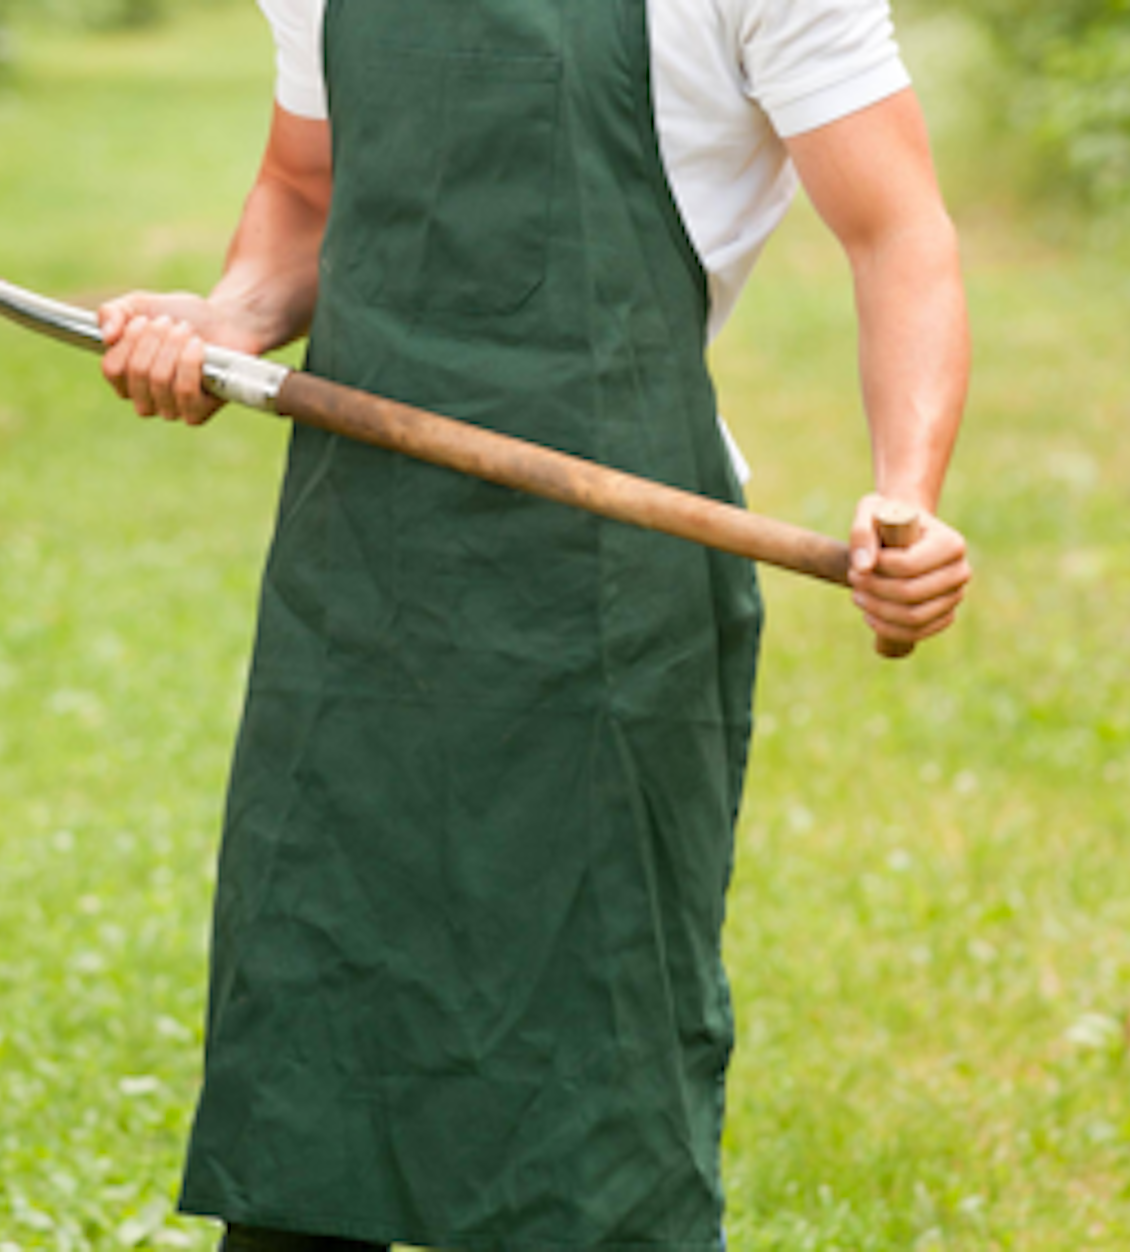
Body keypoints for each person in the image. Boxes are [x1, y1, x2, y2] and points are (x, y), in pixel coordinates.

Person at [99, 0, 972, 1247]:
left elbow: (897, 233)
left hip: (617, 586)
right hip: (359, 568)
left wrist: (907, 494)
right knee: (311, 1038)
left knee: (589, 1095)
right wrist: (230, 317)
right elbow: (304, 185)